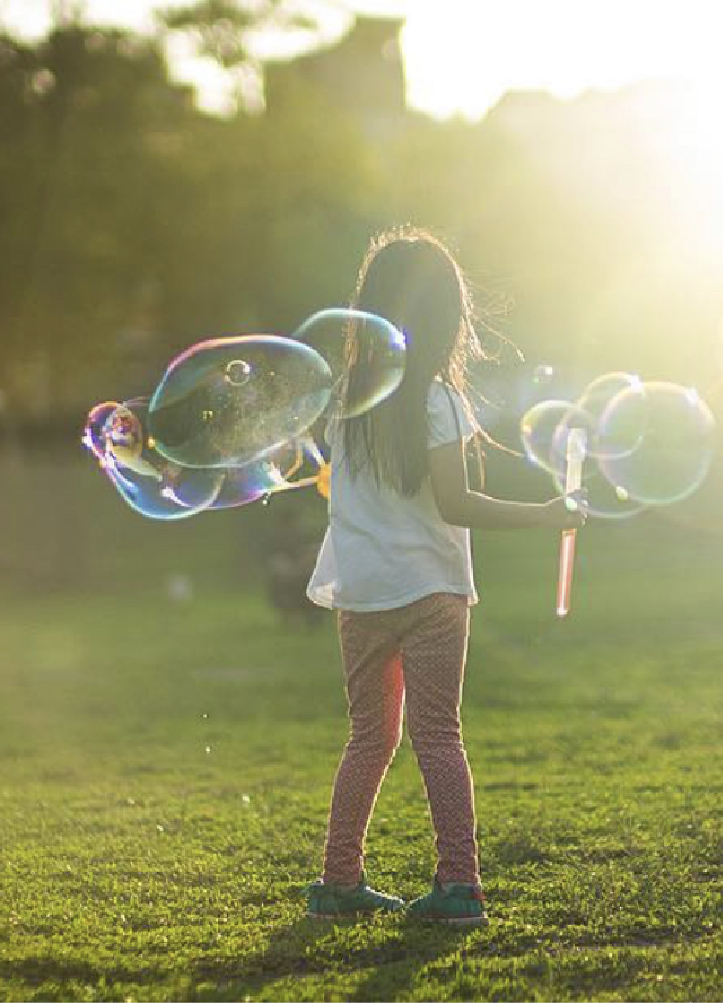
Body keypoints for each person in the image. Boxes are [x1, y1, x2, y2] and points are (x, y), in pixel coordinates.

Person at [302, 227, 586, 926]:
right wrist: (548, 514)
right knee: (438, 735)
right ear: (446, 320)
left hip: (363, 594)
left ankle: (339, 882)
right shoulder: (437, 400)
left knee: (369, 737)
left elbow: (340, 485)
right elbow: (456, 501)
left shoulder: (343, 400)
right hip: (431, 591)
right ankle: (459, 884)